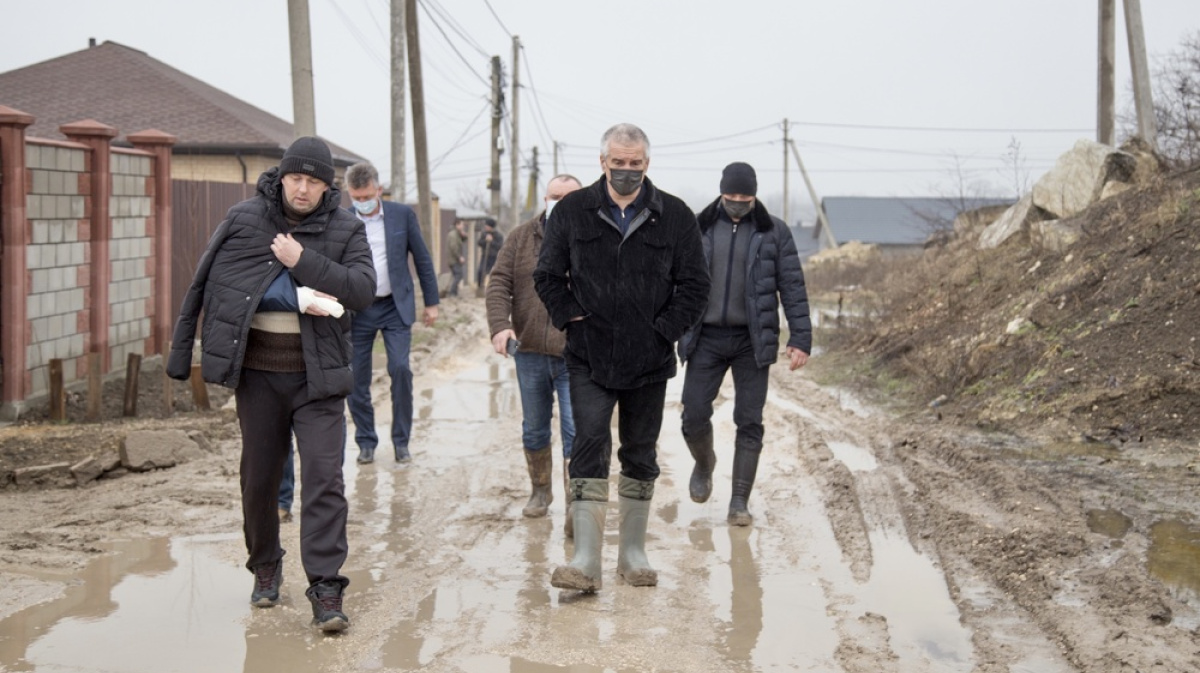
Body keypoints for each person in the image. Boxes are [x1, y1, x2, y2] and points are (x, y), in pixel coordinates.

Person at [167, 136, 376, 633]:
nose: (302, 189)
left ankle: (326, 587)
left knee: (325, 480)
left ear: (327, 187)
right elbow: (214, 285)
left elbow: (362, 291)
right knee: (259, 479)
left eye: (313, 182)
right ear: (282, 177)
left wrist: (301, 260)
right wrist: (181, 354)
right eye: (295, 178)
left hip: (318, 377)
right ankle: (265, 563)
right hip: (259, 376)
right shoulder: (245, 219)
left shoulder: (346, 228)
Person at [534, 123, 710, 591]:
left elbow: (696, 286)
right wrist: (572, 318)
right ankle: (586, 559)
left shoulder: (675, 215)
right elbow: (547, 276)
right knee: (589, 441)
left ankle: (633, 554)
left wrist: (663, 331)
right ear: (603, 162)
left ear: (646, 164)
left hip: (649, 358)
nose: (627, 171)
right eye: (619, 163)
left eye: (635, 164)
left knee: (639, 449)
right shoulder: (573, 211)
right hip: (588, 355)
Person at [678, 162, 811, 526]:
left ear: (754, 195)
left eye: (745, 196)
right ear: (721, 192)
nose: (738, 202)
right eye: (732, 195)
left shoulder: (774, 232)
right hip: (705, 337)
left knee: (749, 420)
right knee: (693, 415)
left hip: (752, 340)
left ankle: (739, 501)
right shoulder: (697, 227)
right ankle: (704, 463)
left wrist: (801, 338)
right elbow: (673, 279)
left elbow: (793, 287)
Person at [486, 174, 583, 535]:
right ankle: (540, 491)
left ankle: (576, 503)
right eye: (555, 196)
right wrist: (500, 325)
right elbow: (499, 282)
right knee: (534, 429)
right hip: (529, 352)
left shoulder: (595, 237)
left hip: (577, 354)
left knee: (577, 431)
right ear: (545, 199)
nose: (560, 202)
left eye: (569, 197)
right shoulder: (521, 237)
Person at [343, 162, 439, 465]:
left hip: (395, 306)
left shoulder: (401, 215)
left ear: (379, 190)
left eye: (367, 196)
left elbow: (422, 259)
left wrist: (432, 303)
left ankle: (401, 442)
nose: (362, 202)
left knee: (400, 369)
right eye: (356, 198)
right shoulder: (342, 219)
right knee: (356, 379)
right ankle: (366, 441)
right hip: (358, 309)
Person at [476, 218, 503, 289]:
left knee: (492, 273)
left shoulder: (498, 235)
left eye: (487, 225)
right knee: (481, 271)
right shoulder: (484, 234)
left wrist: (491, 241)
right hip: (484, 256)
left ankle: (493, 287)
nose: (485, 227)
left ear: (491, 227)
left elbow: (499, 246)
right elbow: (479, 243)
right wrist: (485, 240)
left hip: (493, 257)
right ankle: (480, 287)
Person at [446, 219, 468, 297]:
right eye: (462, 225)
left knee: (457, 276)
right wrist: (459, 257)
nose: (463, 226)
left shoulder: (457, 234)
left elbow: (463, 240)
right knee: (459, 275)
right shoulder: (453, 234)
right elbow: (453, 247)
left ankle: (454, 293)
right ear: (457, 225)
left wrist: (464, 236)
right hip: (453, 259)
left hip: (454, 259)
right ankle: (452, 292)